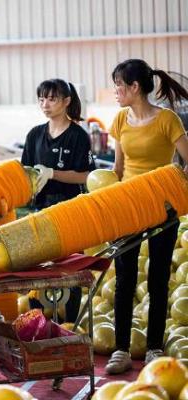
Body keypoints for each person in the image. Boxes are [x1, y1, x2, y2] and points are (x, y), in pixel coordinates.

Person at [105, 59, 188, 374]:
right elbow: (118, 169)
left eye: (119, 86)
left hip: (162, 209)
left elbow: (187, 162)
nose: (116, 92)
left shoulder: (167, 120)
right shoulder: (120, 121)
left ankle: (153, 347)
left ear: (134, 87)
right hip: (128, 208)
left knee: (158, 279)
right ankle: (121, 350)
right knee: (124, 280)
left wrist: (175, 192)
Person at [21, 79, 95, 323]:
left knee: (70, 269)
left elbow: (86, 175)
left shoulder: (78, 137)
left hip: (70, 211)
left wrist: (52, 173)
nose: (45, 104)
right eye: (41, 99)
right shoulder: (34, 135)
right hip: (39, 212)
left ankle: (70, 325)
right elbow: (25, 172)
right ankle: (37, 323)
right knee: (38, 269)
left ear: (66, 101)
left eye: (52, 99)